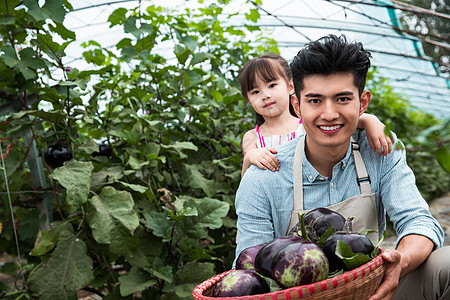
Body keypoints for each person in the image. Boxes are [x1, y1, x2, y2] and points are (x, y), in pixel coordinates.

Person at [234, 34, 449, 299]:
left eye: (343, 99)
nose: (329, 114)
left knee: (446, 264)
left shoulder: (380, 150)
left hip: (376, 287)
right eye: (314, 100)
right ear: (296, 105)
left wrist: (398, 264)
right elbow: (248, 268)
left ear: (363, 103)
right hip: (301, 296)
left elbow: (418, 221)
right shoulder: (262, 178)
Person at [239, 53, 392, 177]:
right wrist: (250, 158)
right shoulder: (252, 137)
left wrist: (370, 121)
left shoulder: (307, 123)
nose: (265, 95)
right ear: (248, 99)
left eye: (272, 85)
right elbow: (248, 181)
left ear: (291, 86)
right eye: (255, 92)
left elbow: (344, 120)